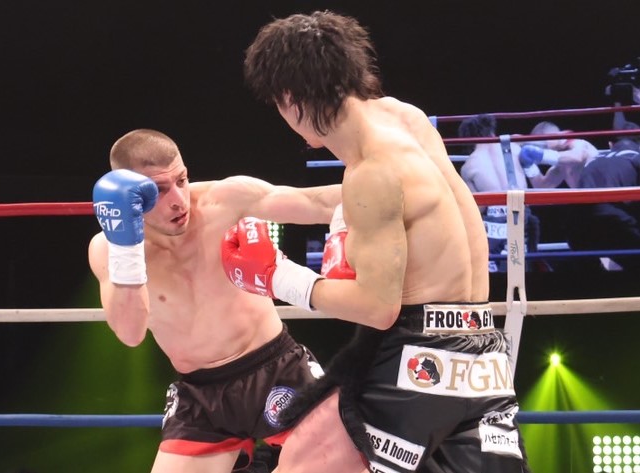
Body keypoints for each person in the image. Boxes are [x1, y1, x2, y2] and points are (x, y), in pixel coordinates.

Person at [222, 10, 531, 473]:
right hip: (482, 354)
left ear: (290, 100)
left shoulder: (371, 174)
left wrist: (276, 277)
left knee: (297, 464)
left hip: (416, 362)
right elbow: (364, 202)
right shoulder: (404, 119)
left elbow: (376, 308)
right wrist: (251, 200)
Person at [88, 128, 341, 473]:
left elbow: (320, 203)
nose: (178, 200)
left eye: (181, 180)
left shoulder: (224, 200)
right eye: (158, 190)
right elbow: (130, 334)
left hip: (277, 369)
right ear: (130, 196)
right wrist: (127, 249)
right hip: (201, 396)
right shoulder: (108, 249)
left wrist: (407, 184)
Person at [458, 114, 540, 272]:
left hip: (493, 226)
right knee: (520, 273)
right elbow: (539, 181)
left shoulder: (469, 166)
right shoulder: (514, 148)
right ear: (491, 131)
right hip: (521, 218)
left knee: (493, 273)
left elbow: (478, 208)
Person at [566, 137, 640, 271]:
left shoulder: (594, 160)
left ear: (611, 146)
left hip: (575, 223)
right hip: (609, 217)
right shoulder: (634, 158)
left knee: (590, 270)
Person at [518, 121, 599, 188]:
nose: (542, 148)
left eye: (543, 144)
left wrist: (541, 154)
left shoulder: (579, 143)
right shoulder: (561, 166)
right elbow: (543, 186)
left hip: (604, 191)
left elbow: (578, 157)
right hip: (593, 198)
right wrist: (529, 167)